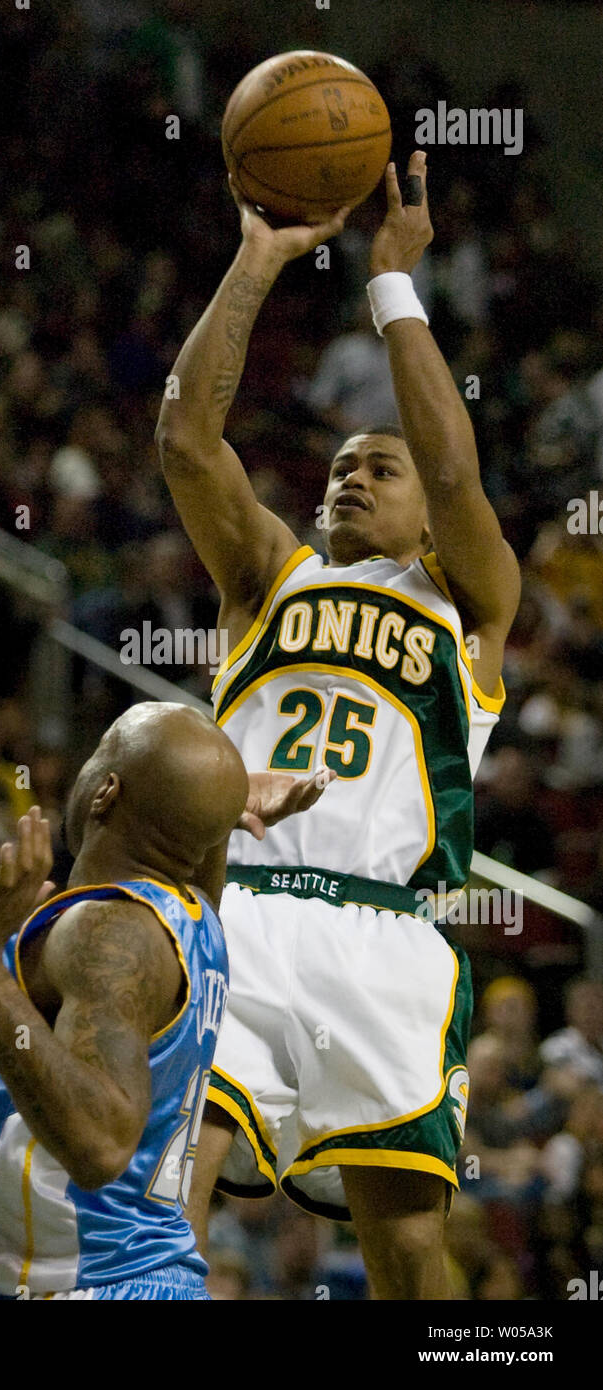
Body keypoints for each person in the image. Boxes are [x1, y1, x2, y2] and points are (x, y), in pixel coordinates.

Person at [156, 151, 521, 1300]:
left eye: (382, 466)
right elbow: (183, 440)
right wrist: (258, 257)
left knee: (409, 1252)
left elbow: (459, 482)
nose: (353, 474)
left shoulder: (465, 599)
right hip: (245, 912)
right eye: (341, 465)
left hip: (391, 936)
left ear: (422, 516)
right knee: (171, 1196)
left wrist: (390, 287)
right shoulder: (269, 574)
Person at [0, 702, 329, 1300]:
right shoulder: (195, 921)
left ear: (105, 790)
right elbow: (195, 864)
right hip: (138, 1275)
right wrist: (218, 813)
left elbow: (100, 1145)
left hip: (95, 1281)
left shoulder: (109, 932)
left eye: (98, 753)